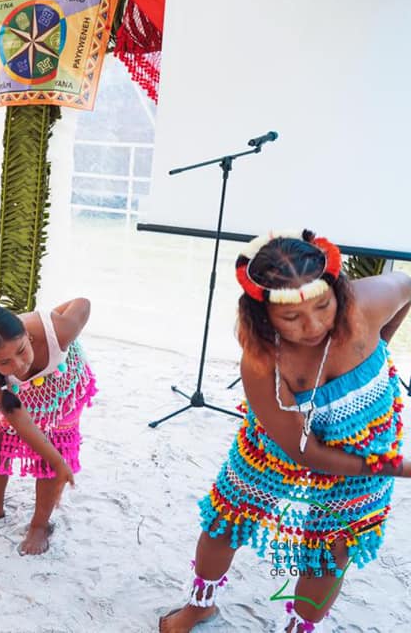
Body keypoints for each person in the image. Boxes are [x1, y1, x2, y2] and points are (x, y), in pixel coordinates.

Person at [159, 230, 410, 633]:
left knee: (332, 549)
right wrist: (400, 468)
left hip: (369, 431)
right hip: (286, 439)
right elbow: (303, 451)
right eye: (292, 318)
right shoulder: (263, 360)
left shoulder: (369, 302)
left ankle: (299, 629)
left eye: (323, 306)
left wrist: (380, 340)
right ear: (264, 316)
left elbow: (407, 286)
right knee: (227, 516)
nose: (313, 325)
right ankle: (199, 605)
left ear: (337, 291)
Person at [0, 300, 96, 555]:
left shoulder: (60, 330)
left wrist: (48, 316)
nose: (18, 365)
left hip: (63, 380)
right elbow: (19, 421)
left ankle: (39, 525)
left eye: (21, 350)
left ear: (28, 335)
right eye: (4, 362)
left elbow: (83, 303)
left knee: (55, 444)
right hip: (18, 392)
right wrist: (58, 462)